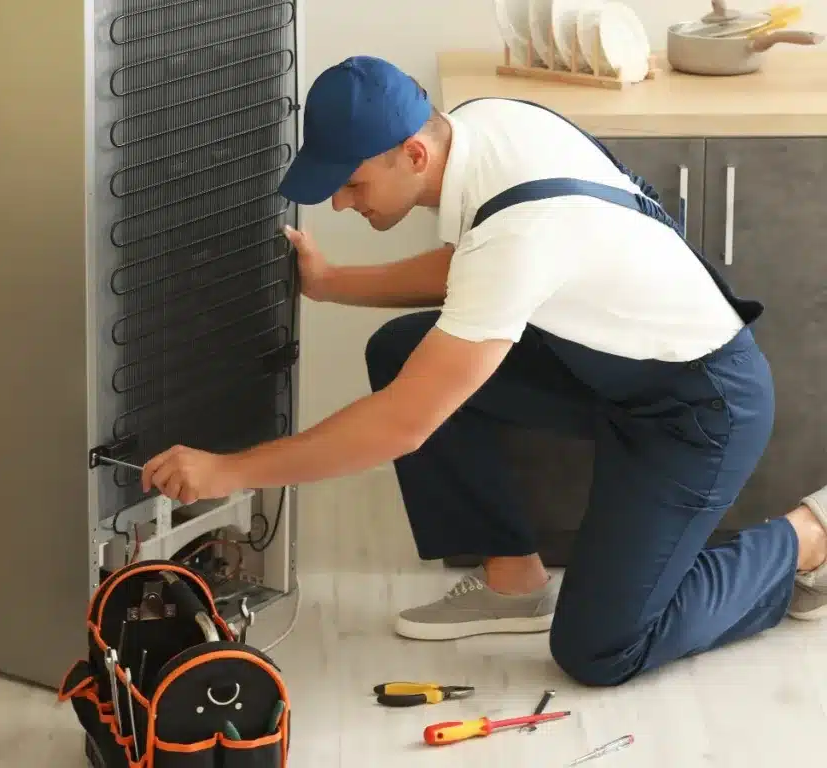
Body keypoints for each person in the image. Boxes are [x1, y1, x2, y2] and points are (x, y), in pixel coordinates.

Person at [141, 55, 827, 687]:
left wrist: (227, 471)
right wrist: (333, 283)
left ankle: (807, 536)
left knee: (601, 650)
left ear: (414, 153)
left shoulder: (519, 231)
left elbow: (405, 423)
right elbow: (476, 272)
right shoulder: (484, 126)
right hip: (606, 369)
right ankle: (512, 581)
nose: (343, 205)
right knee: (403, 351)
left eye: (352, 185)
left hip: (699, 410)